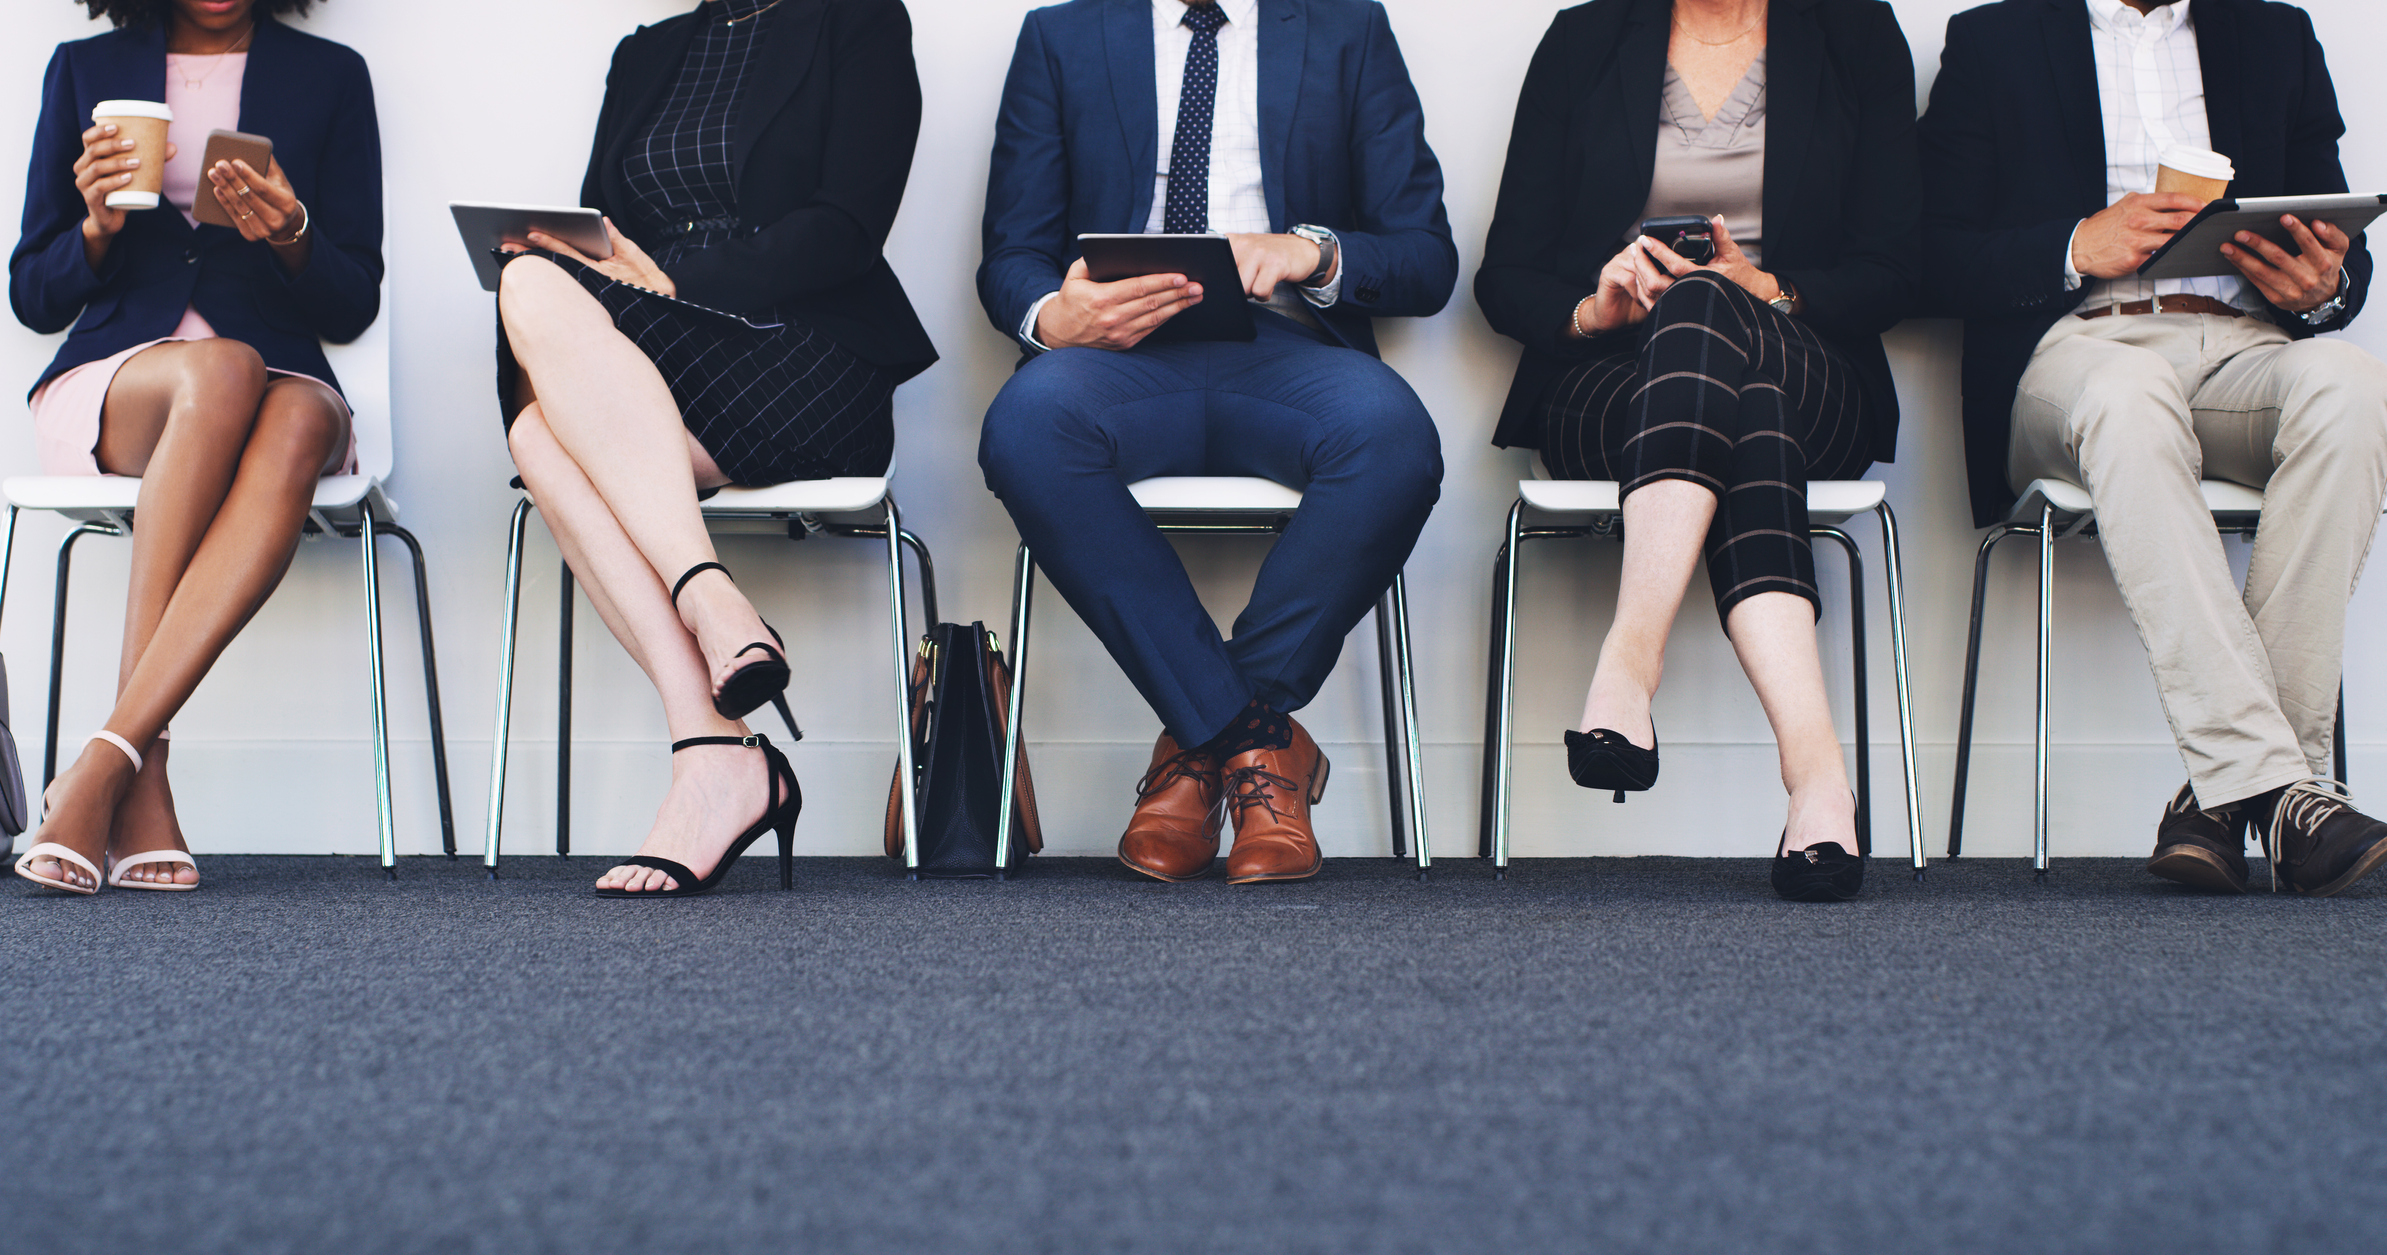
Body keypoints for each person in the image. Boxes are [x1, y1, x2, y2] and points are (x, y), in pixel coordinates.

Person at [976, 0, 1453, 884]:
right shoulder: (1063, 34)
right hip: (1119, 356)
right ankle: (1259, 750)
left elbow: (1425, 258)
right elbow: (1009, 253)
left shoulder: (1346, 29)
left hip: (1286, 349)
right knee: (1026, 425)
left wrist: (1309, 250)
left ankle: (1199, 752)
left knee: (1392, 436)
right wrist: (1053, 312)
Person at [1920, 0, 2387, 896]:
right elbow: (1924, 254)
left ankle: (2223, 799)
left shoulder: (2274, 33)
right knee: (2128, 397)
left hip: (2240, 345)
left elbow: (2334, 246)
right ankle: (2288, 787)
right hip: (2075, 350)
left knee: (2353, 388)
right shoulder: (1994, 38)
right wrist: (2071, 246)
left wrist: (2323, 287)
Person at [1475, 0, 1919, 900]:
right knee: (1724, 373)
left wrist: (1767, 286)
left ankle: (1628, 668)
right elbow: (1505, 271)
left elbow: (1898, 263)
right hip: (1612, 384)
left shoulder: (1854, 33)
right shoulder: (1585, 39)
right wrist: (1591, 309)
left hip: (1808, 365)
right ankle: (1819, 786)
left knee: (1712, 308)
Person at [494, 0, 936, 897]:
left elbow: (850, 224)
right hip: (665, 366)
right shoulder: (647, 52)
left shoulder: (858, 21)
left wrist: (676, 279)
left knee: (544, 424)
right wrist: (587, 259)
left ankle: (709, 710)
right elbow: (603, 232)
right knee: (536, 307)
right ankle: (718, 735)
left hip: (808, 352)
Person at [8, 0, 380, 894]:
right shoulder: (83, 71)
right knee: (219, 370)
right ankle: (141, 776)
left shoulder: (331, 78)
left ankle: (108, 765)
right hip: (126, 379)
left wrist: (291, 234)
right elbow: (31, 291)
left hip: (281, 373)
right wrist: (96, 225)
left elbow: (352, 300)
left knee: (286, 408)